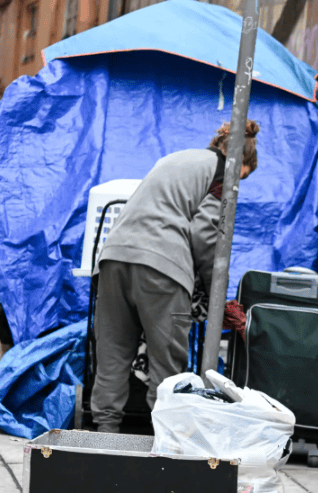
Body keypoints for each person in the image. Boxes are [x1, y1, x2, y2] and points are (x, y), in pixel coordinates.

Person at [91, 120, 260, 434]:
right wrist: (216, 296)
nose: (239, 185)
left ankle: (106, 433)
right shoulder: (222, 171)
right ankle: (165, 442)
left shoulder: (178, 159)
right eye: (243, 177)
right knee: (168, 365)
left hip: (113, 257)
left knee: (112, 353)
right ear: (239, 161)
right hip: (162, 267)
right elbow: (206, 235)